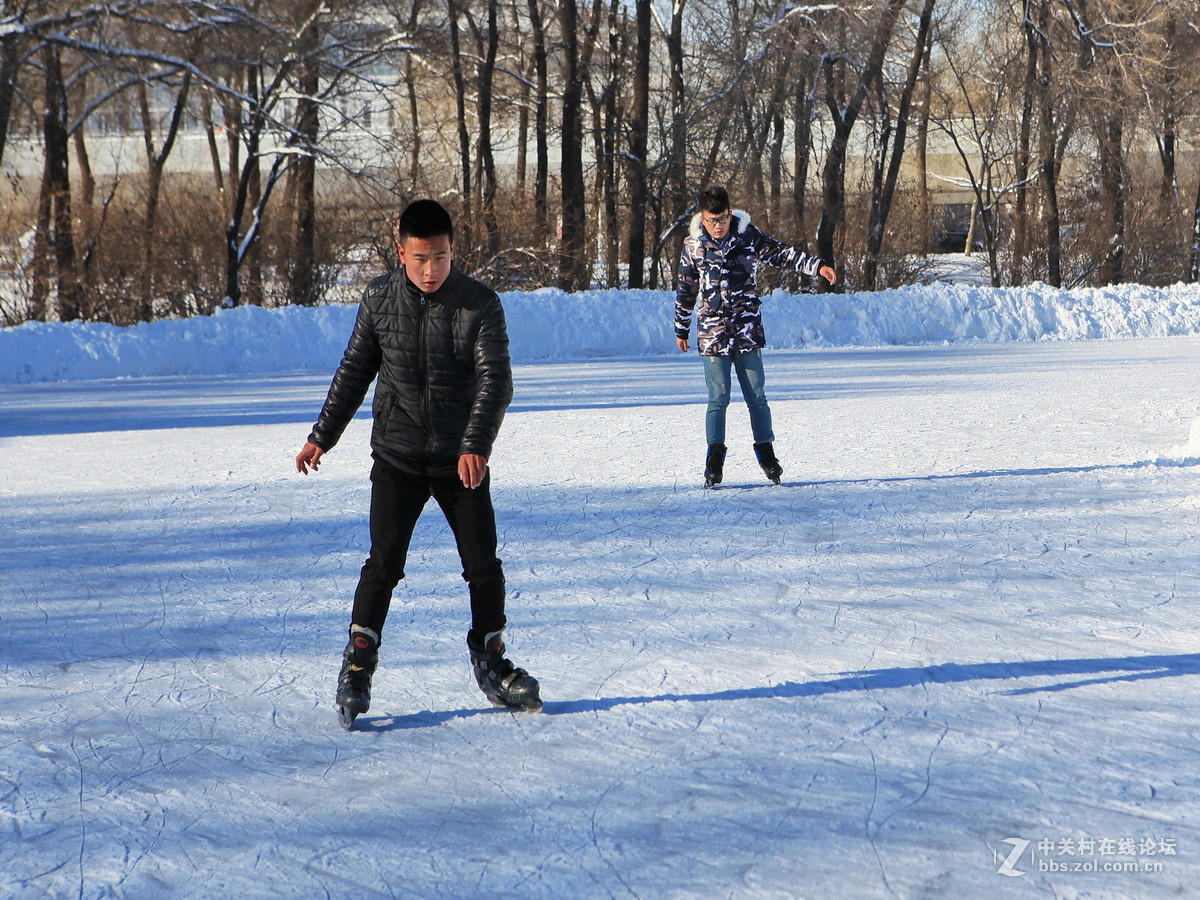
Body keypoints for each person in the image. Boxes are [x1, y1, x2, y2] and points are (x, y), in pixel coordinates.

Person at [295, 198, 541, 727]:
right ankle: (358, 665)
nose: (431, 271)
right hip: (399, 456)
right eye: (420, 258)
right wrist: (323, 436)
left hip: (460, 460)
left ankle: (492, 662)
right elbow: (355, 370)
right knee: (383, 564)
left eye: (441, 258)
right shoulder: (380, 298)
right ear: (400, 248)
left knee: (483, 565)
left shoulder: (480, 303)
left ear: (454, 250)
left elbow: (496, 381)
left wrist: (475, 444)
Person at [674, 186, 837, 488]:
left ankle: (766, 452)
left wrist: (818, 266)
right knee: (718, 398)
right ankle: (714, 458)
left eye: (723, 218)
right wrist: (681, 328)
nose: (718, 225)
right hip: (713, 334)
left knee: (756, 397)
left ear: (730, 213)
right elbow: (686, 290)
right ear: (702, 218)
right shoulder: (693, 246)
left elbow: (782, 254)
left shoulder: (748, 237)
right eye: (712, 220)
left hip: (747, 330)